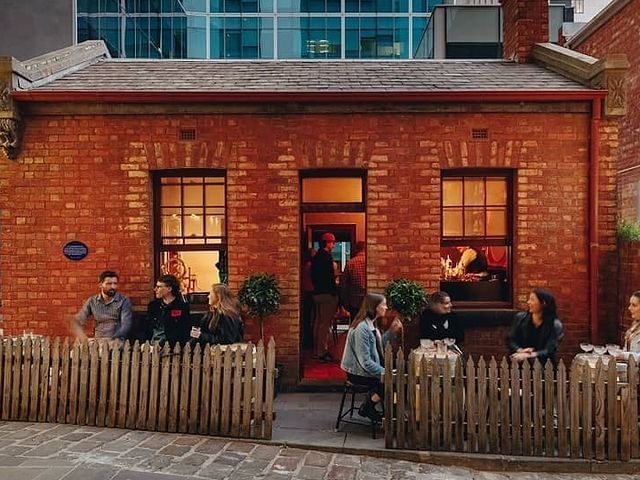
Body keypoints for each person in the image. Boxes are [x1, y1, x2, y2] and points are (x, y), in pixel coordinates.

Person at [340, 293, 402, 422]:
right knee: (392, 381)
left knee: (399, 375)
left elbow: (379, 345)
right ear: (374, 307)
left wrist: (391, 331)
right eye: (383, 304)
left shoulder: (371, 324)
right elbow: (365, 362)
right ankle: (369, 407)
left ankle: (377, 409)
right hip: (357, 373)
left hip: (366, 369)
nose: (386, 307)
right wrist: (386, 373)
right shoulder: (362, 328)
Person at [507, 288, 564, 364]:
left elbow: (550, 349)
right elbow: (510, 339)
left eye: (532, 299)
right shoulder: (520, 318)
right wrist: (520, 350)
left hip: (544, 367)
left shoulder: (555, 325)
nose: (528, 302)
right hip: (519, 365)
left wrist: (529, 355)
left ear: (543, 303)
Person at [72, 270, 133, 340]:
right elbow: (78, 320)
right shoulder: (92, 301)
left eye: (115, 283)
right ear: (100, 285)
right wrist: (83, 337)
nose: (113, 287)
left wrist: (114, 338)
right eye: (109, 284)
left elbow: (126, 324)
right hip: (98, 340)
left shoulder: (124, 301)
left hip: (116, 341)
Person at [311, 232, 339, 362]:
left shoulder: (316, 257)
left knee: (318, 323)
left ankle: (316, 350)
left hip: (317, 293)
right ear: (327, 242)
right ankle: (322, 352)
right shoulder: (326, 257)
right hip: (327, 294)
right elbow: (329, 277)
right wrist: (335, 292)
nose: (334, 245)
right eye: (333, 242)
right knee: (325, 324)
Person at [145, 274, 191, 346]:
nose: (155, 289)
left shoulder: (182, 307)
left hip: (170, 347)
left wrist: (162, 345)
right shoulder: (153, 306)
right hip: (151, 345)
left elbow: (182, 331)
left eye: (159, 287)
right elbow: (146, 327)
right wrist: (144, 343)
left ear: (169, 289)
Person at [341, 241, 366, 321]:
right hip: (368, 298)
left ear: (356, 249)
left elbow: (344, 283)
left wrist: (344, 300)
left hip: (354, 299)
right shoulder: (370, 261)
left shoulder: (350, 263)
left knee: (355, 323)